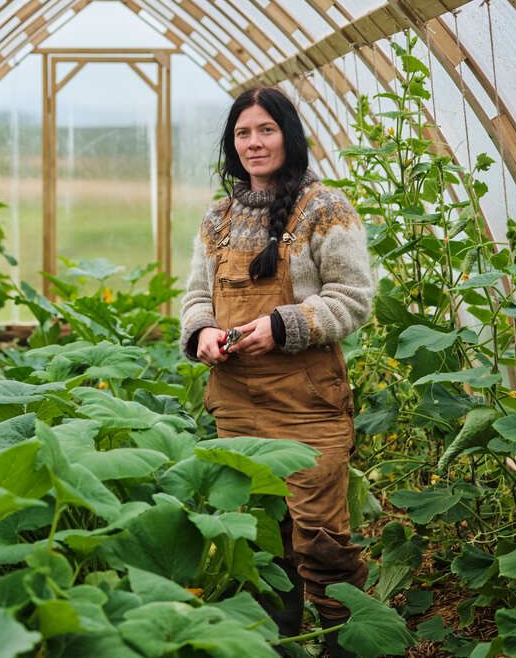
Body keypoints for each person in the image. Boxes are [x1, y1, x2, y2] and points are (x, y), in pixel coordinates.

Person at [179, 86, 373, 656]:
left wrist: (284, 326)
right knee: (259, 536)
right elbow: (195, 298)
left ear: (288, 135)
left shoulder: (325, 209)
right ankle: (274, 645)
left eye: (266, 129)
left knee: (321, 539)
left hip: (306, 401)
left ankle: (342, 643)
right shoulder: (218, 219)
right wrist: (204, 334)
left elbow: (353, 297)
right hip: (236, 401)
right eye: (243, 132)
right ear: (231, 143)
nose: (254, 142)